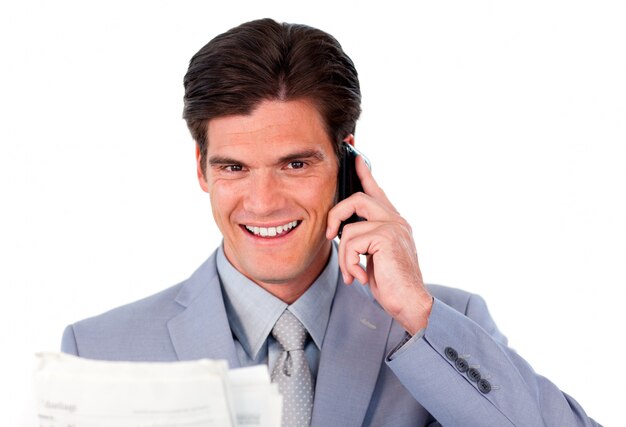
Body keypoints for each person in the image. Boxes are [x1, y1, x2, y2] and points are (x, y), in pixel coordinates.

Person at [61, 18, 600, 426]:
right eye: (234, 167)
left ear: (346, 162)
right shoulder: (100, 350)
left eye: (295, 164)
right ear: (201, 169)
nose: (264, 201)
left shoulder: (442, 324)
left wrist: (415, 310)